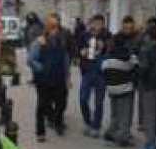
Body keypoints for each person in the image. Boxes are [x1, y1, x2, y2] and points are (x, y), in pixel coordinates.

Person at [28, 13, 71, 141]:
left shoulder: (61, 41)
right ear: (47, 27)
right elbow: (31, 59)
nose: (55, 30)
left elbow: (65, 60)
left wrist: (67, 77)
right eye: (52, 26)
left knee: (61, 103)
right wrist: (41, 68)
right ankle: (40, 132)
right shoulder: (39, 42)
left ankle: (58, 123)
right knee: (42, 106)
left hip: (59, 78)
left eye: (56, 26)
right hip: (44, 80)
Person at [101, 16, 139, 147]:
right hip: (125, 84)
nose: (128, 30)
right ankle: (123, 136)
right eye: (126, 27)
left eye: (130, 28)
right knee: (125, 112)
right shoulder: (129, 45)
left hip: (112, 84)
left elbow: (105, 63)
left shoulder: (113, 42)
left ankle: (112, 132)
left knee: (116, 111)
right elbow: (133, 64)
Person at [78, 14, 110, 138]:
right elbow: (78, 49)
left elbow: (111, 50)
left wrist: (105, 46)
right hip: (87, 70)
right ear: (91, 24)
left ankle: (96, 126)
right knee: (83, 98)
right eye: (95, 23)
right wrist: (81, 52)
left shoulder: (107, 36)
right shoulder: (84, 35)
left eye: (100, 24)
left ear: (103, 25)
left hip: (101, 73)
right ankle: (87, 121)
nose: (97, 26)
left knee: (99, 102)